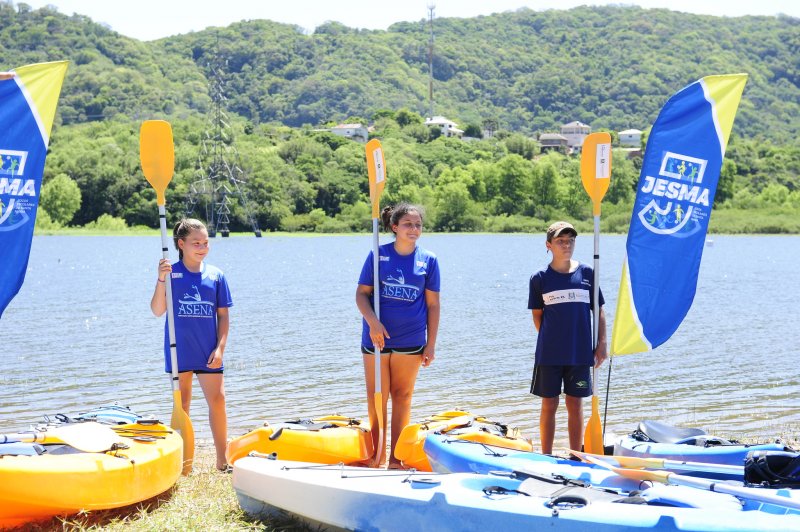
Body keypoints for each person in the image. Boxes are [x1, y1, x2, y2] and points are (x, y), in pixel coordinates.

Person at [356, 203, 440, 469]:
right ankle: (376, 455)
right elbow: (361, 295)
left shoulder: (429, 260)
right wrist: (373, 323)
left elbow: (433, 305)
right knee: (377, 398)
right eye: (408, 224)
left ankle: (396, 459)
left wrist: (431, 344)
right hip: (377, 339)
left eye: (417, 225)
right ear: (395, 228)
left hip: (412, 340)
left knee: (402, 397)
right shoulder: (378, 256)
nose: (414, 229)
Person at [150, 218, 232, 471]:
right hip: (179, 352)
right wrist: (161, 279)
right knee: (182, 405)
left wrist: (220, 349)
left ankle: (222, 461)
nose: (202, 247)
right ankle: (185, 466)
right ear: (181, 244)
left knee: (218, 401)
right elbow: (157, 310)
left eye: (206, 243)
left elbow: (223, 316)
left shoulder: (216, 276)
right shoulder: (171, 273)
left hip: (208, 352)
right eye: (196, 243)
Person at [528, 221, 607, 455]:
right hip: (549, 354)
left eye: (570, 240)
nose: (566, 245)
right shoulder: (539, 278)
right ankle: (547, 456)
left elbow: (599, 310)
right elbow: (538, 317)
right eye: (560, 241)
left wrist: (602, 344)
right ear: (549, 245)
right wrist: (553, 340)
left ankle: (576, 456)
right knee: (549, 404)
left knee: (575, 404)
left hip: (580, 353)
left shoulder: (587, 273)